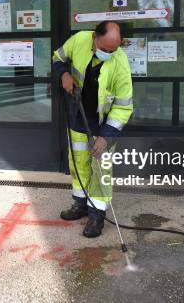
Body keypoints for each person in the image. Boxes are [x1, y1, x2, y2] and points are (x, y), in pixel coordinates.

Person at [52, 21, 133, 238]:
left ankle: (97, 214)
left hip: (103, 123)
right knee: (78, 162)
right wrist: (64, 75)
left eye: (114, 49)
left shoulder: (120, 62)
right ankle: (79, 204)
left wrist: (105, 137)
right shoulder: (79, 40)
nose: (110, 53)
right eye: (105, 49)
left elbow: (123, 106)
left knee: (101, 168)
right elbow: (58, 57)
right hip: (78, 116)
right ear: (94, 38)